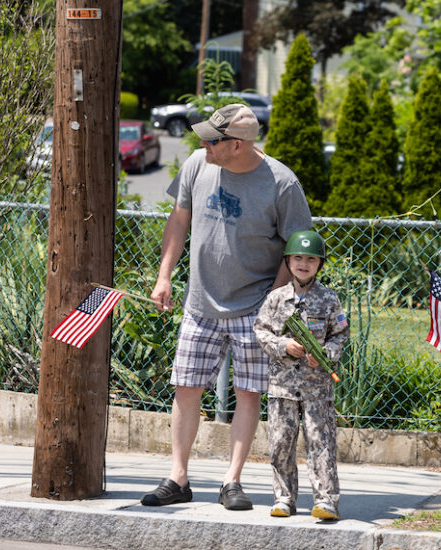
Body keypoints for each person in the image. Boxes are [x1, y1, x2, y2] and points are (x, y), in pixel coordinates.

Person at [140, 104, 313, 509]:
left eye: (212, 140)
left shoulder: (282, 183)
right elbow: (179, 220)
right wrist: (164, 275)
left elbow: (296, 250)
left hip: (254, 308)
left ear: (236, 145)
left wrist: (272, 306)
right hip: (199, 303)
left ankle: (231, 481)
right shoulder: (199, 164)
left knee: (248, 393)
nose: (202, 144)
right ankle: (177, 478)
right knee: (186, 388)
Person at [253, 230, 349, 520]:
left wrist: (324, 356)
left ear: (320, 263)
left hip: (317, 388)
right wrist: (284, 346)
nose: (303, 264)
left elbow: (340, 335)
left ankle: (326, 501)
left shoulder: (329, 299)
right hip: (282, 387)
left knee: (321, 442)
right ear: (288, 261)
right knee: (281, 443)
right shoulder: (275, 299)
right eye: (297, 258)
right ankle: (283, 499)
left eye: (310, 259)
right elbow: (260, 331)